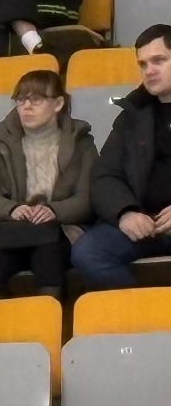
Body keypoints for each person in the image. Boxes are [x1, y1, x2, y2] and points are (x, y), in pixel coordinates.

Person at [0, 69, 96, 301]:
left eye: (36, 99)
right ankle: (5, 323)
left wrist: (54, 210)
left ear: (58, 103)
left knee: (49, 257)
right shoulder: (0, 141)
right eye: (20, 100)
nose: (26, 107)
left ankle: (49, 318)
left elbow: (87, 197)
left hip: (60, 228)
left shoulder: (81, 142)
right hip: (11, 230)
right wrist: (11, 209)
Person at [72, 24, 171, 289]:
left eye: (158, 60)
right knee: (88, 252)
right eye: (143, 64)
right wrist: (125, 212)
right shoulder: (131, 116)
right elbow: (105, 176)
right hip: (145, 222)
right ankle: (144, 309)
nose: (149, 70)